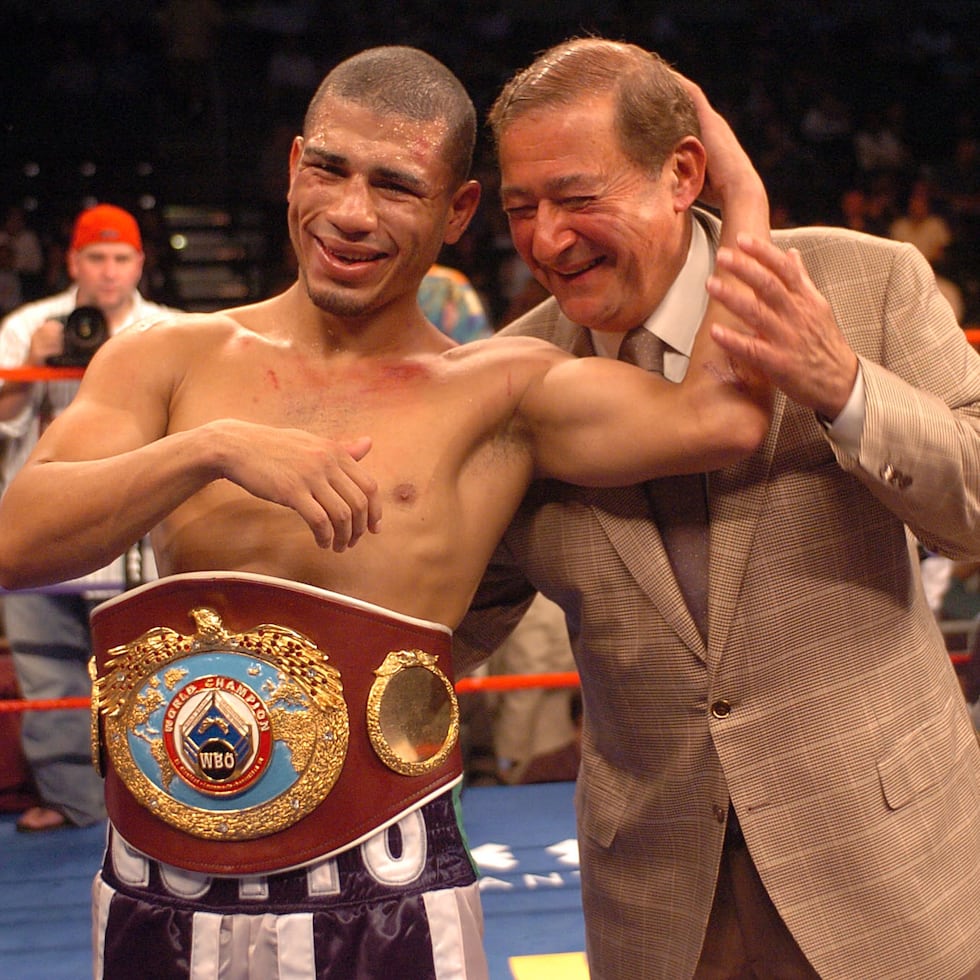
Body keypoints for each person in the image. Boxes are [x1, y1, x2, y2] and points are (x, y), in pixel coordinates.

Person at [0, 46, 773, 979]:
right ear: (294, 167)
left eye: (397, 186)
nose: (351, 214)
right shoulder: (168, 360)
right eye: (329, 169)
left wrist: (738, 187)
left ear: (457, 212)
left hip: (388, 878)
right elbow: (17, 541)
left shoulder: (502, 391)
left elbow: (724, 415)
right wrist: (210, 448)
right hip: (162, 872)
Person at [455, 37, 980, 980]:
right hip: (661, 898)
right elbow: (457, 611)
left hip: (888, 866)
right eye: (520, 208)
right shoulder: (515, 376)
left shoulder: (866, 283)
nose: (543, 240)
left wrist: (845, 386)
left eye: (578, 198)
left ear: (680, 174)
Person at [0, 203, 177, 834]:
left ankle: (163, 799)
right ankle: (76, 803)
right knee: (48, 673)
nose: (107, 271)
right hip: (44, 532)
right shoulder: (27, 327)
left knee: (153, 672)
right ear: (72, 261)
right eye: (95, 257)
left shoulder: (169, 332)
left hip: (133, 534)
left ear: (139, 263)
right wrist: (33, 371)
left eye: (119, 257)